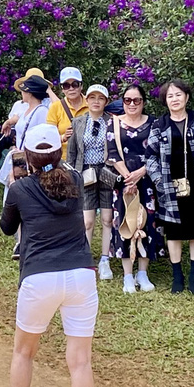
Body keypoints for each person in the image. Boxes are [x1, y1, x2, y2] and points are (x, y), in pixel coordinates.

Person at [0, 123, 100, 387]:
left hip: (39, 277)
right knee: (81, 361)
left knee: (24, 353)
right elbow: (62, 180)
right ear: (59, 152)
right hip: (81, 275)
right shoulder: (74, 181)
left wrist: (16, 185)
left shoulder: (20, 188)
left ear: (27, 155)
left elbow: (7, 228)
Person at [145, 79, 194, 294]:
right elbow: (150, 157)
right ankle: (177, 274)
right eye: (170, 96)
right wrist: (159, 181)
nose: (174, 99)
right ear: (165, 101)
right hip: (169, 184)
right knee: (174, 230)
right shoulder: (159, 125)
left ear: (186, 97)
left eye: (178, 95)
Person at [107, 84, 165, 293]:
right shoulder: (113, 123)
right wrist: (128, 178)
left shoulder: (154, 124)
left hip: (147, 181)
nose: (132, 104)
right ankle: (128, 275)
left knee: (147, 223)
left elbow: (157, 153)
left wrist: (141, 173)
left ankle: (143, 272)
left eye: (136, 100)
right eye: (127, 100)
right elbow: (112, 153)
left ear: (143, 102)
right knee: (125, 223)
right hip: (123, 183)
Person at [0, 74, 52, 260]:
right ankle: (21, 241)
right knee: (17, 198)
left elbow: (42, 139)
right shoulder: (26, 110)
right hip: (19, 156)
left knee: (26, 198)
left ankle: (27, 241)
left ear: (30, 92)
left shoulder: (41, 112)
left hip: (30, 161)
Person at [66, 84, 115, 280]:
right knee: (87, 221)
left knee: (107, 218)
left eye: (100, 98)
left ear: (106, 101)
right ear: (86, 100)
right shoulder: (78, 122)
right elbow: (72, 152)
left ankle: (105, 259)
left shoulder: (112, 122)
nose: (96, 101)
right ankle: (85, 259)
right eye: (92, 97)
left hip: (106, 172)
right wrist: (70, 175)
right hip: (84, 172)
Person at [46, 66, 89, 159]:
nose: (71, 88)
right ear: (62, 89)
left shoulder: (91, 104)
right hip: (64, 160)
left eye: (75, 84)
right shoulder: (55, 107)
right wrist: (63, 137)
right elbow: (48, 137)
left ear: (81, 86)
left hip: (88, 160)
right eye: (66, 85)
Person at [1, 67, 54, 135]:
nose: (22, 92)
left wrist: (48, 90)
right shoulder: (19, 104)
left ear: (29, 92)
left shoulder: (45, 107)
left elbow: (59, 107)